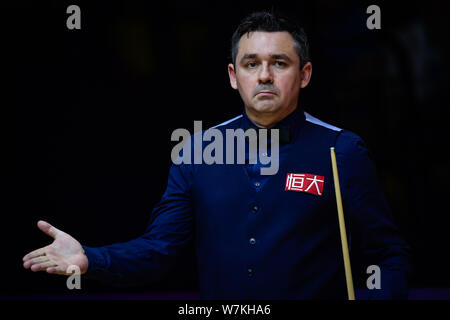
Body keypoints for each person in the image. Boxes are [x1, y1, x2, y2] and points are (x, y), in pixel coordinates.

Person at [22, 11, 412, 299]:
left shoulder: (340, 150)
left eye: (279, 63)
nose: (264, 76)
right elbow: (160, 250)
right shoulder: (197, 152)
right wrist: (90, 258)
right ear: (232, 75)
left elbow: (389, 255)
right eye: (251, 63)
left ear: (305, 74)